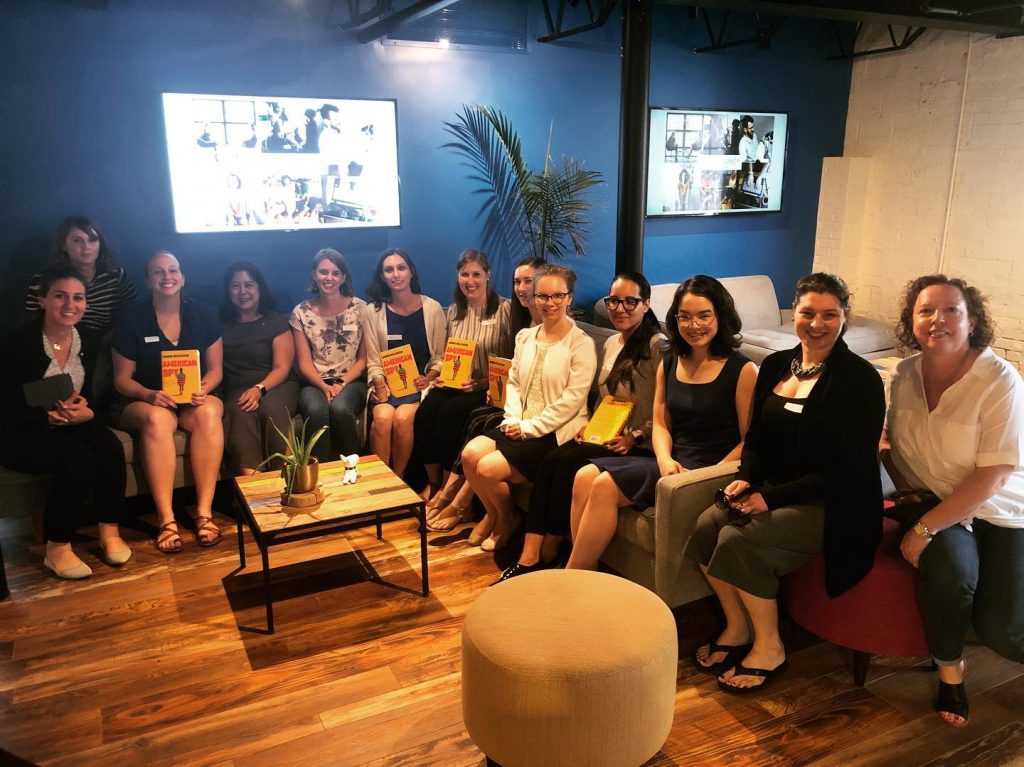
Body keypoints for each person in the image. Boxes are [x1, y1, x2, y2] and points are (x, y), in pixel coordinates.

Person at [684, 273, 884, 694]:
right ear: (793, 313)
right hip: (772, 490)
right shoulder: (776, 365)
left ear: (844, 318)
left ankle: (770, 647)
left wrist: (768, 498)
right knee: (705, 525)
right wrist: (745, 480)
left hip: (835, 506)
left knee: (740, 540)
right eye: (808, 312)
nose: (817, 323)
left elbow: (849, 468)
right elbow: (756, 439)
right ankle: (736, 627)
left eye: (830, 314)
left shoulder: (859, 379)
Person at [882, 275, 1024, 728]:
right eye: (926, 311)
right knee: (952, 575)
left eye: (950, 311)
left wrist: (924, 529)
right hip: (932, 500)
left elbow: (995, 472)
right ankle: (950, 672)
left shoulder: (999, 380)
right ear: (912, 320)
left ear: (972, 320)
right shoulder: (902, 375)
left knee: (1002, 629)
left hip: (1000, 509)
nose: (937, 320)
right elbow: (892, 443)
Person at [567, 275, 757, 572]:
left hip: (710, 470)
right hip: (672, 462)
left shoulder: (742, 369)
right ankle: (583, 570)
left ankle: (574, 576)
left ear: (720, 315)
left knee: (604, 484)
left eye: (704, 315)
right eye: (685, 317)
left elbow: (750, 441)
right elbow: (661, 423)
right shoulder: (670, 361)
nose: (694, 325)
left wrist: (704, 475)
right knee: (584, 476)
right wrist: (666, 460)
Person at [496, 271, 665, 581]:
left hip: (636, 445)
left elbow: (666, 406)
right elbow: (607, 399)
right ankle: (536, 552)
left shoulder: (657, 345)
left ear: (646, 304)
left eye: (630, 301)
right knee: (553, 461)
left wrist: (637, 435)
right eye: (614, 301)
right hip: (606, 434)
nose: (620, 308)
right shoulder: (613, 341)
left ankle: (548, 551)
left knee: (565, 464)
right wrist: (589, 426)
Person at [0, 266, 131, 578]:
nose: (70, 305)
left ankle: (109, 531)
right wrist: (45, 416)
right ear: (43, 300)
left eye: (78, 298)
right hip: (20, 428)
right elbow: (4, 405)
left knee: (110, 446)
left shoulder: (87, 337)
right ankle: (57, 547)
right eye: (60, 296)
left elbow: (84, 392)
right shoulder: (15, 344)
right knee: (77, 457)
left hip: (66, 416)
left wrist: (87, 410)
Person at [461, 263, 596, 552]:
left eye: (557, 296)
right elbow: (514, 383)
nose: (550, 303)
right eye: (543, 296)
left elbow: (572, 400)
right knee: (470, 454)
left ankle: (504, 518)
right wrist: (512, 419)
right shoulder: (525, 337)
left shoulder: (580, 344)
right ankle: (500, 515)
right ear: (534, 298)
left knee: (486, 468)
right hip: (519, 423)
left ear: (569, 298)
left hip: (554, 433)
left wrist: (529, 428)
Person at [112, 252, 224, 552]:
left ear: (183, 277)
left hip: (190, 400)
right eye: (158, 272)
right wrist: (149, 395)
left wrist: (204, 388)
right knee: (158, 419)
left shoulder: (203, 314)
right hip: (144, 400)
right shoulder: (132, 319)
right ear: (148, 281)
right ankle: (166, 520)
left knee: (211, 411)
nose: (166, 277)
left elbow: (216, 371)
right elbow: (122, 380)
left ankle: (204, 513)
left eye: (172, 270)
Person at [427, 256, 546, 541]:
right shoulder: (521, 318)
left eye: (529, 281)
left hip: (528, 409)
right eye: (517, 281)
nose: (522, 288)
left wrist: (492, 388)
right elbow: (512, 369)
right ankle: (450, 494)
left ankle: (457, 501)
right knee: (457, 412)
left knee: (474, 416)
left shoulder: (531, 318)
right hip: (507, 397)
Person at [416, 249, 512, 532]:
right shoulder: (454, 312)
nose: (470, 281)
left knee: (448, 416)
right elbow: (444, 354)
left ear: (488, 277)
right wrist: (436, 375)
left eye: (476, 275)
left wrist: (482, 383)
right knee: (426, 413)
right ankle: (433, 484)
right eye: (464, 274)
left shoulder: (504, 309)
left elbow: (510, 361)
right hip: (455, 383)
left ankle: (449, 491)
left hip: (484, 389)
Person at [364, 249, 446, 478]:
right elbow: (373, 359)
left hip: (420, 388)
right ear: (382, 276)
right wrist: (379, 384)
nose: (395, 274)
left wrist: (429, 377)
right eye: (388, 270)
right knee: (382, 418)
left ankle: (397, 479)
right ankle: (381, 479)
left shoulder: (433, 308)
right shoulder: (372, 312)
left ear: (411, 271)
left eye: (401, 268)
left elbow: (440, 357)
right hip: (388, 387)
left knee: (402, 418)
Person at [219, 261, 299, 475]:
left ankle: (284, 479)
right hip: (237, 389)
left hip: (276, 384)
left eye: (249, 285)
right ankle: (252, 489)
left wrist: (258, 389)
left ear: (259, 288)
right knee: (239, 412)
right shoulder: (219, 325)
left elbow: (282, 367)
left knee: (271, 408)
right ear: (228, 291)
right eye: (235, 286)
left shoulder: (275, 321)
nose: (243, 291)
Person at [291, 249, 368, 461]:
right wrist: (324, 386)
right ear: (314, 275)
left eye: (335, 273)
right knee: (316, 410)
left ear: (343, 277)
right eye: (323, 272)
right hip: (314, 383)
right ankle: (320, 474)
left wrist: (341, 383)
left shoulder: (362, 309)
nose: (329, 278)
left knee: (340, 408)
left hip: (352, 381)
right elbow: (304, 362)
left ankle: (353, 470)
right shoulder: (300, 313)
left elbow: (363, 360)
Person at [24, 216, 137, 335]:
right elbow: (33, 320)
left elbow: (131, 315)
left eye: (92, 240)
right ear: (64, 245)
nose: (86, 247)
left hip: (107, 343)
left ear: (100, 244)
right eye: (77, 240)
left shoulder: (116, 276)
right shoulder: (43, 279)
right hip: (57, 341)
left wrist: (107, 342)